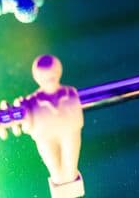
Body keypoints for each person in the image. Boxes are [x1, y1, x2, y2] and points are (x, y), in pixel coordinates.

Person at [23, 55, 85, 198]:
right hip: (46, 137)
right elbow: (26, 126)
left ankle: (72, 192)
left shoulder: (71, 93)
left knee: (70, 170)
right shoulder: (30, 102)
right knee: (56, 172)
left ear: (58, 73)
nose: (49, 81)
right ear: (37, 78)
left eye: (51, 77)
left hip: (70, 132)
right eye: (45, 78)